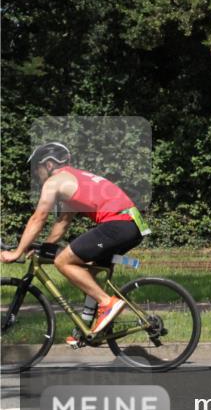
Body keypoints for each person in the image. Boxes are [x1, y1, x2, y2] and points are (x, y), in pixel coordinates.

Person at [0, 142, 148, 345]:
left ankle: (107, 303)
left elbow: (38, 218)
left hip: (117, 224)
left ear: (49, 164)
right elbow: (62, 223)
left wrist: (16, 252)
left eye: (37, 167)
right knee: (89, 269)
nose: (36, 172)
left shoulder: (54, 182)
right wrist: (43, 247)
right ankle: (86, 328)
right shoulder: (74, 179)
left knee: (63, 261)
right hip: (131, 224)